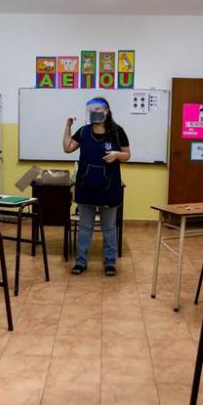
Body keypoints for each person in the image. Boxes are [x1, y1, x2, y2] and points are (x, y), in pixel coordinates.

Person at [62, 97, 131, 276]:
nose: (95, 113)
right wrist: (68, 126)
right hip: (86, 186)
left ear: (107, 111)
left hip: (109, 187)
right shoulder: (83, 131)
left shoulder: (117, 132)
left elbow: (127, 154)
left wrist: (117, 154)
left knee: (109, 227)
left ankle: (110, 262)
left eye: (99, 109)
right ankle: (81, 261)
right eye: (92, 110)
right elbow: (67, 148)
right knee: (85, 227)